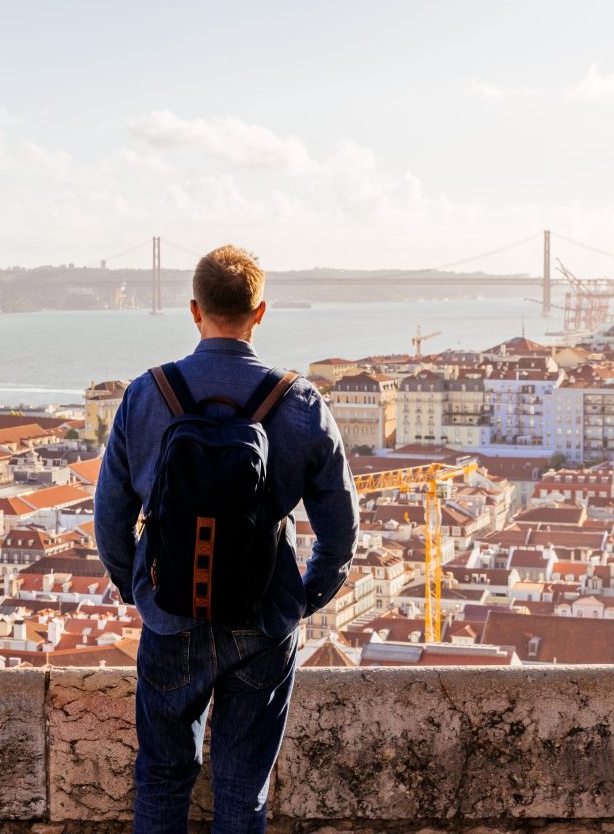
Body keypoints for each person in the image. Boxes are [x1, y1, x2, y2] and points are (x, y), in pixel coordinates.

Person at [94, 244, 359, 834]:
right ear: (259, 313)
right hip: (263, 619)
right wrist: (300, 598)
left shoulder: (145, 395)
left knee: (162, 779)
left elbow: (111, 516)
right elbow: (341, 533)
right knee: (243, 790)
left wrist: (138, 589)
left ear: (195, 310)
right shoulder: (301, 403)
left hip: (170, 616)